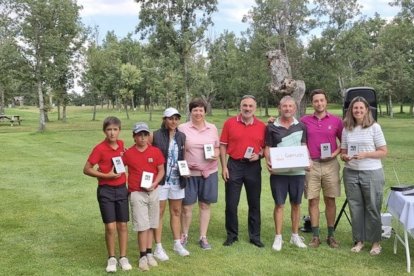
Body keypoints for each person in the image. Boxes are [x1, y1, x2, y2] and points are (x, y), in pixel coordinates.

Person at [83, 116, 132, 272]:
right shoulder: (99, 149)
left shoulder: (122, 145)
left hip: (121, 189)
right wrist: (106, 176)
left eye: (115, 129)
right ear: (104, 131)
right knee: (110, 227)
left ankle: (123, 257)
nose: (112, 133)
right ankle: (111, 258)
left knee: (123, 225)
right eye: (109, 130)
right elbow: (87, 168)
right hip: (106, 191)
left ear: (119, 130)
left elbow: (123, 162)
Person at [340, 96, 387, 255]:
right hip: (351, 172)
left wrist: (366, 154)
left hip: (372, 172)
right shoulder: (347, 128)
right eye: (355, 108)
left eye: (361, 108)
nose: (358, 111)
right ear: (350, 111)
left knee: (373, 207)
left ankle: (375, 242)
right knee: (355, 207)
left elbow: (383, 151)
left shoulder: (375, 128)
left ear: (367, 110)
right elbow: (343, 152)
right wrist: (344, 157)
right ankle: (359, 240)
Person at [220, 95, 266, 247]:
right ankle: (232, 235)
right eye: (244, 105)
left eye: (250, 106)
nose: (247, 108)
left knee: (254, 203)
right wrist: (224, 167)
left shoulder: (262, 126)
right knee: (231, 204)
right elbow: (223, 146)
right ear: (240, 107)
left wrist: (259, 155)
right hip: (234, 165)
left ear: (255, 108)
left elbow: (266, 148)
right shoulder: (230, 123)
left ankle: (255, 236)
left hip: (253, 167)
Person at [264, 96, 308, 251]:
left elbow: (304, 147)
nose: (287, 109)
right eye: (285, 106)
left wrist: (306, 162)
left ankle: (295, 236)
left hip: (298, 173)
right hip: (279, 173)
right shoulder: (271, 127)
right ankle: (278, 237)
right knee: (279, 204)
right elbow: (267, 147)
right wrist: (268, 162)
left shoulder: (301, 126)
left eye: (290, 106)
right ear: (279, 108)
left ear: (294, 108)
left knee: (296, 204)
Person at [300, 89, 343, 248]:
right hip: (311, 165)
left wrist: (334, 153)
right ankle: (316, 236)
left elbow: (343, 142)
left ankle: (331, 235)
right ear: (312, 103)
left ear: (326, 102)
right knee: (313, 200)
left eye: (322, 100)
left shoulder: (336, 121)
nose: (319, 103)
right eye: (316, 101)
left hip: (331, 165)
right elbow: (298, 140)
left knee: (330, 199)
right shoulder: (304, 121)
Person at [123, 122, 165, 271]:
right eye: (139, 135)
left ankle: (149, 253)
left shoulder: (155, 152)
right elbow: (119, 167)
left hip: (153, 191)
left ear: (148, 136)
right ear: (134, 137)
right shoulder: (128, 154)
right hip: (136, 192)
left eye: (145, 134)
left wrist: (154, 183)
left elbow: (161, 170)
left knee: (152, 224)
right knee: (142, 226)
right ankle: (142, 256)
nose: (142, 137)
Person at [178, 98, 220, 250]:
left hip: (209, 173)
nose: (198, 113)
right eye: (195, 110)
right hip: (189, 174)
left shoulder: (212, 128)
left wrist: (215, 154)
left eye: (201, 110)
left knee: (205, 204)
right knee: (187, 206)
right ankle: (184, 236)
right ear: (190, 111)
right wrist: (183, 168)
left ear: (205, 112)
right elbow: (177, 149)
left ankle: (203, 237)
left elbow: (216, 147)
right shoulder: (182, 128)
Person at [151, 107, 190, 261]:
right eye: (170, 118)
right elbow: (145, 151)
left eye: (176, 118)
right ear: (164, 119)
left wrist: (185, 170)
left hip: (176, 179)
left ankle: (177, 243)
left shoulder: (182, 136)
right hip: (160, 180)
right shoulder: (155, 135)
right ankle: (158, 247)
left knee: (176, 211)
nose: (173, 121)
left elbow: (183, 156)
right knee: (159, 213)